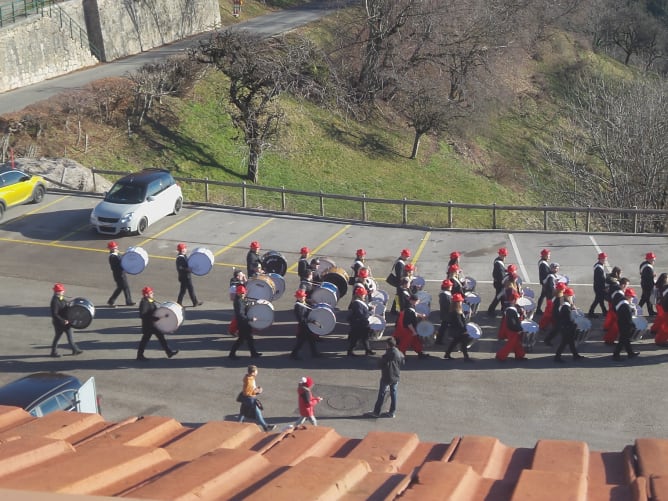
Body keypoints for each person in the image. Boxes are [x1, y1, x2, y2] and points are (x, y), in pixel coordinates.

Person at [137, 286, 178, 361]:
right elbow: (143, 315)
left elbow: (154, 311)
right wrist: (154, 318)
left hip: (154, 325)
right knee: (144, 341)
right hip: (148, 326)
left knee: (161, 338)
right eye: (151, 292)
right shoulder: (144, 302)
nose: (153, 293)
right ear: (146, 294)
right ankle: (139, 355)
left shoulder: (150, 300)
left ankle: (169, 352)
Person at [368, 337, 405, 418]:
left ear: (388, 345)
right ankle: (392, 412)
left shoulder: (387, 355)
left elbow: (380, 365)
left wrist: (380, 359)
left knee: (382, 394)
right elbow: (402, 362)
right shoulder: (399, 353)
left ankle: (376, 412)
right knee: (393, 393)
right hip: (396, 376)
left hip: (387, 376)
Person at [238, 365, 276, 432]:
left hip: (246, 399)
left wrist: (256, 389)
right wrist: (258, 391)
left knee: (243, 412)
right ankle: (265, 426)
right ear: (253, 373)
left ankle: (237, 425)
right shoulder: (249, 381)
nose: (257, 372)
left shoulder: (250, 377)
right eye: (256, 371)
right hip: (250, 399)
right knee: (258, 412)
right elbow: (248, 392)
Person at [50, 283, 83, 357]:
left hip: (66, 321)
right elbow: (54, 314)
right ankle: (53, 352)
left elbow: (65, 303)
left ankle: (75, 349)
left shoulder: (60, 297)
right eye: (61, 291)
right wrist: (63, 320)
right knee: (57, 337)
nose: (63, 292)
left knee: (69, 336)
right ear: (57, 292)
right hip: (59, 323)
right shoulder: (54, 301)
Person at [229, 285, 261, 360]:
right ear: (238, 293)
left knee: (249, 338)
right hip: (243, 323)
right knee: (241, 340)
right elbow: (241, 315)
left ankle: (253, 353)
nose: (243, 294)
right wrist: (250, 319)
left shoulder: (241, 299)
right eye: (241, 293)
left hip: (244, 322)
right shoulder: (239, 302)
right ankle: (232, 354)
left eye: (243, 293)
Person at [495, 290, 528, 361]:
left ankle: (519, 355)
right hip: (512, 330)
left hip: (511, 329)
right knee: (511, 344)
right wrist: (519, 329)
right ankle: (501, 355)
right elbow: (512, 323)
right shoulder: (511, 310)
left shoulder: (510, 308)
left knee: (516, 343)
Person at [554, 288, 584, 362]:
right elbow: (570, 317)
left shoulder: (564, 303)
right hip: (566, 327)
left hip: (566, 326)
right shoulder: (565, 306)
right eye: (570, 295)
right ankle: (557, 357)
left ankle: (575, 355)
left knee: (570, 342)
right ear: (567, 295)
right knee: (564, 342)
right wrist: (574, 310)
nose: (572, 297)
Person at [395, 294, 429, 359]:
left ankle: (420, 352)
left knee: (415, 340)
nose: (418, 302)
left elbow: (414, 313)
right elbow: (409, 322)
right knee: (405, 342)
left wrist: (420, 315)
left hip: (404, 327)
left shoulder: (410, 307)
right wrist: (413, 331)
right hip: (407, 329)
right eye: (417, 301)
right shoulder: (409, 310)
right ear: (412, 301)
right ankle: (401, 355)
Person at [290, 289, 321, 359]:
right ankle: (293, 354)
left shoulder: (304, 302)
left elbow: (308, 305)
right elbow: (301, 319)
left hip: (306, 326)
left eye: (303, 296)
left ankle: (314, 353)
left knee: (311, 340)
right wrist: (311, 321)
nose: (302, 298)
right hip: (303, 327)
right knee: (301, 342)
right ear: (297, 298)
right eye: (301, 297)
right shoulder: (298, 306)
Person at [613, 289, 640, 361]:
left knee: (625, 339)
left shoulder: (621, 301)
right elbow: (629, 319)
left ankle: (630, 353)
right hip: (625, 325)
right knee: (622, 340)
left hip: (621, 322)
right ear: (627, 296)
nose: (632, 298)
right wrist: (634, 326)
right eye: (631, 297)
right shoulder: (626, 305)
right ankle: (616, 355)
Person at [347, 285, 374, 356]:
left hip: (361, 324)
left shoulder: (360, 302)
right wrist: (369, 314)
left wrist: (370, 308)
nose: (365, 295)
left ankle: (368, 350)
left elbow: (364, 308)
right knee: (356, 339)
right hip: (359, 324)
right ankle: (350, 351)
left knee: (365, 337)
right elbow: (360, 314)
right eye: (364, 294)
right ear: (360, 295)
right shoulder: (357, 304)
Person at [444, 293, 472, 361]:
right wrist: (465, 330)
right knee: (463, 343)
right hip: (459, 331)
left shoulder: (453, 310)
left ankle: (447, 354)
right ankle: (466, 357)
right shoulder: (456, 312)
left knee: (455, 342)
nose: (461, 302)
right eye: (460, 301)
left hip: (456, 331)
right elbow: (459, 323)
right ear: (458, 302)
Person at [106, 241, 135, 307]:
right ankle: (128, 301)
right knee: (125, 287)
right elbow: (117, 266)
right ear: (111, 249)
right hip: (119, 275)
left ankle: (111, 301)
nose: (116, 248)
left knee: (120, 288)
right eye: (114, 247)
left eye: (116, 247)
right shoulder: (113, 257)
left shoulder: (117, 254)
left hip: (121, 274)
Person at [176, 243, 202, 307]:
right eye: (184, 248)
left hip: (186, 276)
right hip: (185, 277)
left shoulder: (183, 256)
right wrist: (188, 269)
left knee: (183, 290)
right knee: (190, 290)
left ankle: (179, 302)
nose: (185, 249)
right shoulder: (180, 258)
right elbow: (180, 268)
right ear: (182, 250)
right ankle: (195, 302)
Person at [487, 247, 508, 316]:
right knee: (498, 297)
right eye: (504, 255)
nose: (505, 257)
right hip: (499, 283)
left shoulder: (498, 261)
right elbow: (501, 275)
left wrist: (506, 271)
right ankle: (491, 309)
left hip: (498, 282)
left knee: (502, 296)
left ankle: (503, 308)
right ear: (501, 255)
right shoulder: (499, 263)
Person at [389, 248, 411, 315]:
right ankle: (399, 310)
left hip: (399, 282)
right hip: (400, 283)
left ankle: (393, 310)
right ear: (403, 255)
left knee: (398, 296)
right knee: (400, 297)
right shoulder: (400, 264)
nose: (407, 258)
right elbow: (400, 275)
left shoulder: (399, 261)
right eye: (407, 256)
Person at [587, 252, 608, 318]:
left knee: (600, 300)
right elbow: (601, 279)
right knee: (598, 300)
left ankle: (604, 312)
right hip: (599, 287)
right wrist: (604, 287)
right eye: (605, 258)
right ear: (601, 259)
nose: (606, 260)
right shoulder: (599, 268)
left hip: (597, 286)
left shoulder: (599, 265)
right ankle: (591, 312)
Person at [436, 279, 453, 344]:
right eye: (450, 286)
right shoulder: (445, 296)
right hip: (446, 314)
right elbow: (447, 305)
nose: (452, 287)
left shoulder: (444, 294)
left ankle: (439, 339)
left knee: (443, 327)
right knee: (443, 328)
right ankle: (439, 340)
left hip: (445, 314)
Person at [653, 273, 668, 345]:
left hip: (660, 305)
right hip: (663, 307)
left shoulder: (661, 286)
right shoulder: (664, 287)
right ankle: (660, 340)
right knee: (664, 324)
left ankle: (654, 330)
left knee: (660, 319)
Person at [535, 249, 551, 315]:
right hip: (545, 283)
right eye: (548, 255)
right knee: (548, 296)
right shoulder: (543, 264)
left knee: (543, 296)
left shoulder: (542, 262)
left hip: (544, 282)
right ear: (544, 255)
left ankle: (538, 309)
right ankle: (547, 310)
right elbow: (545, 274)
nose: (549, 256)